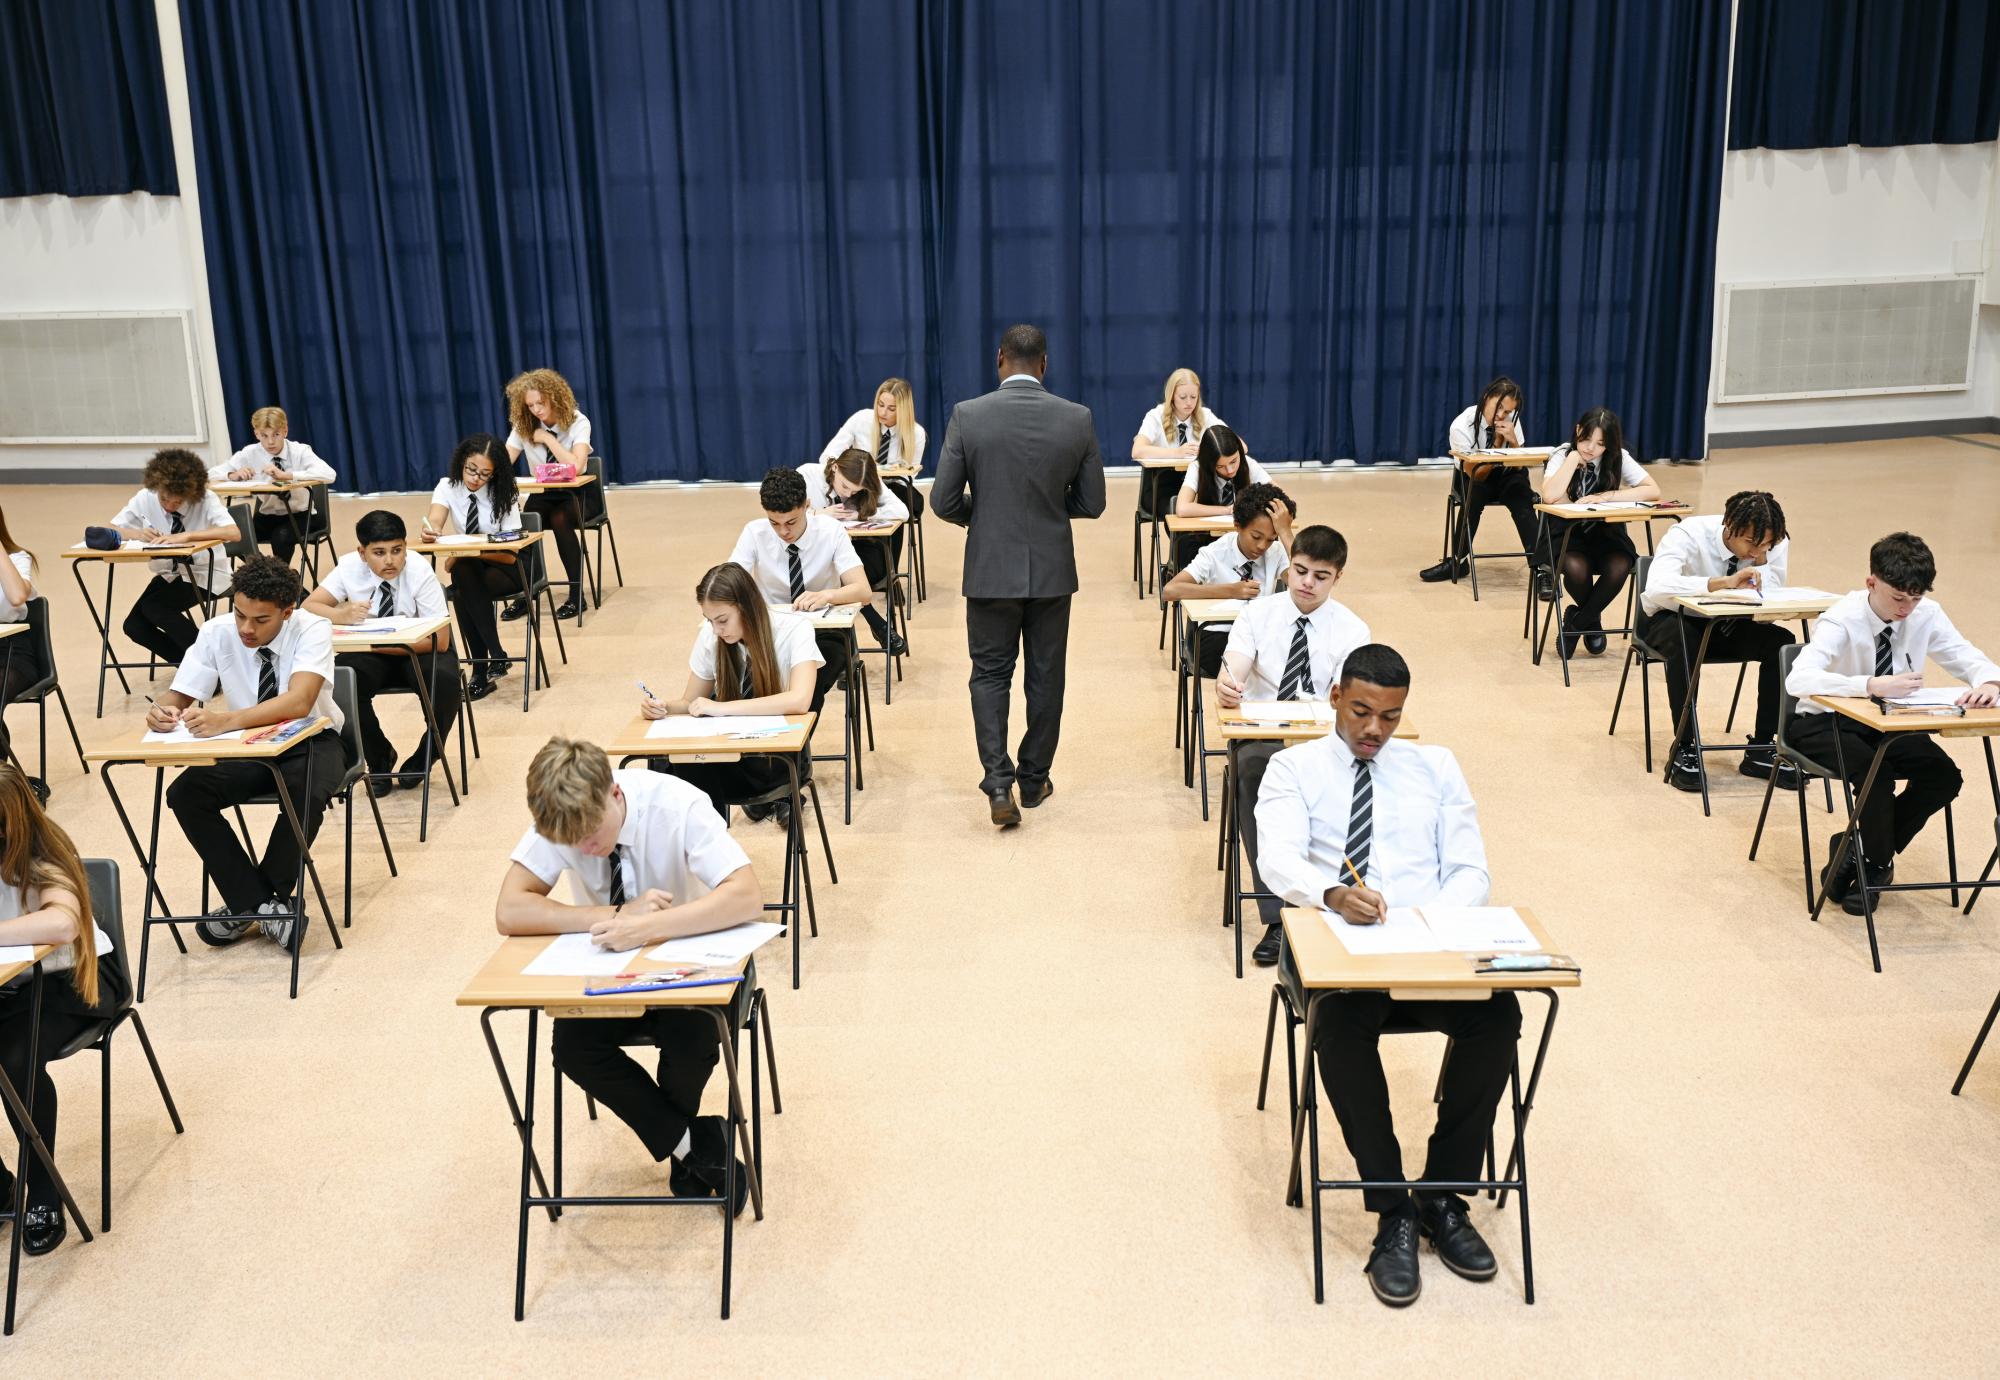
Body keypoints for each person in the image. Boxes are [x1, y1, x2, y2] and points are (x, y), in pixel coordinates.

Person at [1256, 643, 1520, 1309]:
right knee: (1339, 1025)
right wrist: (1329, 893)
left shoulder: (1436, 767)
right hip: (1336, 949)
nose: (1375, 730)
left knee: (1499, 1014)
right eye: (1362, 711)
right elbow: (1277, 860)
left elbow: (1470, 868)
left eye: (1392, 717)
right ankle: (1392, 1209)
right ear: (1336, 695)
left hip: (1426, 944)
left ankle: (1442, 1197)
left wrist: (1435, 923)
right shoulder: (1293, 768)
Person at [497, 736, 760, 1213]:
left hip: (689, 965)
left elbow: (746, 895)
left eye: (592, 834)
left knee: (693, 1043)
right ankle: (693, 1145)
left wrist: (648, 927)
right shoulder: (562, 814)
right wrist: (615, 913)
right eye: (571, 843)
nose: (585, 849)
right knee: (572, 1049)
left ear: (614, 794)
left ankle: (686, 1149)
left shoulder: (678, 805)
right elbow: (510, 910)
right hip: (608, 974)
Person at [932, 323, 1106, 826]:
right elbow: (1093, 503)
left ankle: (998, 784)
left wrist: (982, 517)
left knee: (989, 674)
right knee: (1046, 677)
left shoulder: (968, 415)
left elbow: (942, 501)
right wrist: (1051, 508)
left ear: (1000, 357)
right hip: (1053, 571)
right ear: (1045, 364)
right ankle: (1034, 780)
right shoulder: (1077, 418)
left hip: (988, 569)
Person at [1787, 532, 2000, 917]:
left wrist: (1988, 681)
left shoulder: (1926, 614)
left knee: (1943, 776)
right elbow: (1798, 679)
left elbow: (1965, 655)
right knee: (1877, 774)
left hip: (1887, 724)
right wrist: (1867, 685)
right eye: (1898, 597)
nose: (1907, 608)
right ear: (1872, 582)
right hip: (1823, 723)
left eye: (1916, 598)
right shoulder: (1841, 618)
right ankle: (1878, 868)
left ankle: (1858, 849)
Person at [148, 556, 346, 951]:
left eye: (260, 620)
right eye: (239, 614)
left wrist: (226, 720)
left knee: (304, 790)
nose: (245, 628)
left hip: (311, 738)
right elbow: (180, 693)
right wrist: (161, 710)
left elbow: (300, 701)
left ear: (287, 612)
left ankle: (250, 905)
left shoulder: (313, 627)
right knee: (186, 793)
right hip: (248, 745)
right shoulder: (216, 631)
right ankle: (264, 906)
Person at [1215, 525, 1371, 965]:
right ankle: (1279, 917)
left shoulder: (1354, 630)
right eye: (1300, 571)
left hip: (1323, 741)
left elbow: (1351, 703)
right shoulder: (1257, 615)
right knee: (1253, 775)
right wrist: (1228, 687)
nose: (1307, 583)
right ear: (1289, 568)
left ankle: (1342, 893)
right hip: (1263, 735)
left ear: (1337, 577)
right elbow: (1236, 669)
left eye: (1320, 576)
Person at [0, 764, 121, 1256]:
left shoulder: (44, 852)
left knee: (13, 1061)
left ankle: (44, 1194)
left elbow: (62, 924)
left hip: (76, 984)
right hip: (13, 986)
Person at [1638, 490, 1799, 793]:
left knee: (1783, 644)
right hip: (1671, 621)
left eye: (1767, 545)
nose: (1757, 551)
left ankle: (1762, 747)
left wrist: (1764, 560)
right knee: (1684, 639)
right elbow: (1658, 587)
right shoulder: (1687, 533)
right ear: (1729, 525)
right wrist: (1720, 584)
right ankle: (1686, 747)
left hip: (1729, 626)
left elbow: (1771, 596)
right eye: (1752, 543)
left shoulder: (1773, 542)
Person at [640, 562, 823, 822]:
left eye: (722, 620)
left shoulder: (795, 629)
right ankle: (705, 849)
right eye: (709, 620)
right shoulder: (711, 635)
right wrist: (663, 707)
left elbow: (800, 700)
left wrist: (722, 708)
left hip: (776, 759)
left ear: (746, 606)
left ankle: (711, 848)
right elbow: (690, 702)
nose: (716, 629)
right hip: (725, 755)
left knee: (690, 771)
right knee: (674, 762)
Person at [303, 509, 461, 792]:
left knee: (446, 680)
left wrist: (379, 644)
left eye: (397, 550)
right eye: (379, 552)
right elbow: (310, 606)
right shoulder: (349, 566)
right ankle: (379, 756)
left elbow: (441, 640)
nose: (390, 560)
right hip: (371, 651)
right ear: (362, 553)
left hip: (419, 648)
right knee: (339, 680)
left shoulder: (419, 569)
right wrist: (341, 614)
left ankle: (429, 753)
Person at [728, 468, 869, 701]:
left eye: (791, 522)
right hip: (770, 633)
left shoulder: (830, 531)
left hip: (823, 632)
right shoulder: (754, 532)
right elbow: (730, 585)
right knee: (748, 686)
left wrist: (827, 595)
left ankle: (798, 737)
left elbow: (863, 591)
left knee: (809, 688)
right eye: (774, 523)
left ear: (807, 505)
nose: (783, 531)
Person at [1537, 407, 1661, 658]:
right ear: (1577, 431)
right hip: (1567, 532)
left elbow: (1653, 490)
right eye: (1585, 439)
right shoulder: (1562, 454)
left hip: (1606, 531)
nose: (1590, 448)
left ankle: (1576, 622)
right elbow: (1548, 496)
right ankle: (1592, 622)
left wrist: (1606, 496)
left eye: (1600, 444)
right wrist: (1572, 459)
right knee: (1575, 567)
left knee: (1621, 564)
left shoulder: (1619, 457)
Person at [109, 448, 238, 667]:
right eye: (164, 499)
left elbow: (233, 532)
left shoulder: (205, 499)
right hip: (169, 575)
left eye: (177, 503)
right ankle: (191, 665)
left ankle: (210, 666)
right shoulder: (145, 497)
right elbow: (113, 529)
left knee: (156, 608)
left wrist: (187, 536)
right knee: (134, 626)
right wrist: (137, 534)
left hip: (205, 574)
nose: (169, 506)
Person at [1418, 376, 1548, 594]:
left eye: (1507, 412)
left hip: (1508, 474)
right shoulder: (1461, 426)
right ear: (1487, 397)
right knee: (1473, 496)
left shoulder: (1512, 418)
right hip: (1476, 478)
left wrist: (1514, 443)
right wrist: (1498, 444)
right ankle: (1459, 561)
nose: (1501, 415)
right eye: (1499, 408)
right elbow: (1475, 474)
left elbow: (1521, 465)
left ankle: (1542, 570)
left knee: (1523, 500)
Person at [422, 434, 525, 702]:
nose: (475, 478)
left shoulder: (505, 493)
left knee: (462, 581)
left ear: (495, 474)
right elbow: (436, 518)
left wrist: (460, 554)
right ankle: (495, 657)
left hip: (508, 569)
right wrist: (432, 531)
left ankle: (481, 668)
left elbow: (511, 552)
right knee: (464, 582)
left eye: (484, 474)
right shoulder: (447, 486)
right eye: (471, 469)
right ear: (461, 462)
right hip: (473, 571)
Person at [1161, 482, 1296, 676]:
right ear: (1237, 526)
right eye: (1256, 536)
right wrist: (1230, 591)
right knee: (1258, 663)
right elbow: (1170, 591)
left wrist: (1285, 533)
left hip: (1262, 636)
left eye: (1270, 538)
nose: (1262, 546)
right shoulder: (1215, 552)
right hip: (1219, 636)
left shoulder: (1276, 551)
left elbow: (1303, 581)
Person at [798, 447, 909, 656]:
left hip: (856, 557)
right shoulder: (807, 475)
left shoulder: (866, 480)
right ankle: (875, 625)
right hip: (814, 563)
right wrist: (817, 514)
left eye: (855, 491)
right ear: (835, 468)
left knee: (847, 577)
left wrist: (860, 515)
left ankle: (847, 658)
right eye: (845, 486)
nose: (848, 494)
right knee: (836, 578)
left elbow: (902, 511)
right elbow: (786, 515)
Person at [503, 368, 592, 622]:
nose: (536, 410)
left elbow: (577, 467)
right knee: (521, 524)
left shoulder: (577, 421)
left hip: (576, 494)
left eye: (541, 403)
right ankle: (525, 593)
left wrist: (546, 439)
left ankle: (577, 596)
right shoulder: (523, 426)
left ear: (555, 397)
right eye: (530, 405)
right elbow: (503, 461)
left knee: (560, 520)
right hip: (543, 494)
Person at [211, 405, 336, 568]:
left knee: (281, 537)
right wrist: (232, 475)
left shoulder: (299, 451)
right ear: (256, 433)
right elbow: (210, 474)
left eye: (276, 435)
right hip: (267, 515)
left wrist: (289, 475)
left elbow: (329, 474)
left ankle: (278, 582)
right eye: (264, 435)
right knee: (237, 536)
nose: (270, 441)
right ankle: (272, 576)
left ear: (285, 431)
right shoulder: (250, 453)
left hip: (302, 515)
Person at [0, 505, 51, 801]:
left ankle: (7, 792)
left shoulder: (18, 558)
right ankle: (9, 787)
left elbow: (18, 596)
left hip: (14, 655)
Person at [820, 377, 926, 473]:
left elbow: (911, 473)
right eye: (881, 405)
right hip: (860, 483)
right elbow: (827, 456)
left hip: (896, 485)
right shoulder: (861, 419)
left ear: (904, 411)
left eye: (891, 409)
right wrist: (844, 466)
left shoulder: (917, 433)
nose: (883, 412)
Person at [1175, 424, 1271, 519]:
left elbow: (1278, 497)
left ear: (1240, 452)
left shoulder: (1248, 463)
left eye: (1233, 461)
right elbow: (1182, 508)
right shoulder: (1197, 467)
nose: (1230, 470)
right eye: (1220, 466)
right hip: (1206, 532)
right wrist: (1228, 510)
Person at [1130, 367, 1225, 460]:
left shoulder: (1205, 415)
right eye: (1183, 397)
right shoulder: (1156, 416)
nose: (1189, 403)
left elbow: (1236, 442)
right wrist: (1177, 452)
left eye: (1193, 397)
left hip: (1197, 475)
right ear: (1171, 396)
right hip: (1162, 475)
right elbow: (1137, 451)